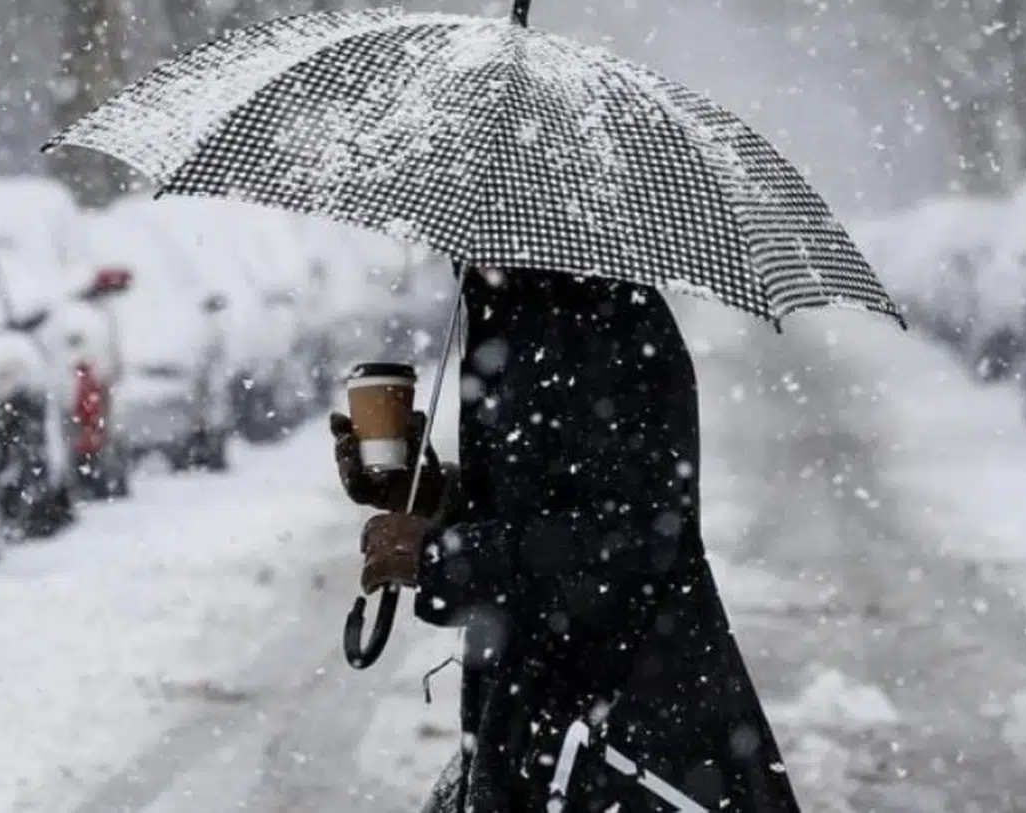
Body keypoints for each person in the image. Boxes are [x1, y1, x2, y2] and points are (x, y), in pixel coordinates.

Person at [331, 267, 802, 812]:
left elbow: (635, 539)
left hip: (615, 725)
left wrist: (443, 558)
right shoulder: (517, 305)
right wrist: (427, 492)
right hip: (539, 719)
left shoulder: (604, 321)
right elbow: (541, 498)